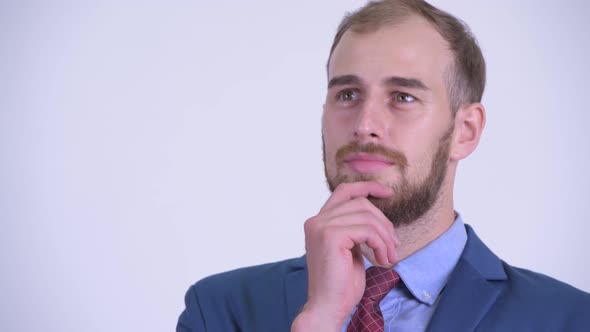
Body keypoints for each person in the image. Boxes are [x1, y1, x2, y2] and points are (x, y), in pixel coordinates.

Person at [176, 0, 590, 331]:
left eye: (403, 97)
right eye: (348, 95)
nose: (364, 126)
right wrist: (318, 321)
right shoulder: (218, 312)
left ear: (465, 130)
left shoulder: (569, 319)